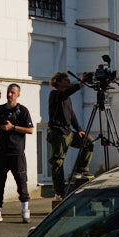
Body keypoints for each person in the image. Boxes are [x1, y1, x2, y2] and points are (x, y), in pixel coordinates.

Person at [0, 83, 34, 223]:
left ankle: (25, 211)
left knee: (21, 181)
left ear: (18, 94)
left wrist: (12, 127)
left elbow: (30, 130)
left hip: (16, 152)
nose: (9, 94)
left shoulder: (23, 111)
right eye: (8, 92)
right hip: (1, 152)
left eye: (12, 92)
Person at [46, 71, 93, 199]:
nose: (68, 81)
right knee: (58, 163)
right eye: (65, 79)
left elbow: (71, 114)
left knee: (88, 141)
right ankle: (59, 192)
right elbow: (64, 94)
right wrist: (80, 83)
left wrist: (79, 129)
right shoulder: (55, 94)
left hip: (68, 132)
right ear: (58, 82)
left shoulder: (67, 97)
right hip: (58, 133)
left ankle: (81, 169)